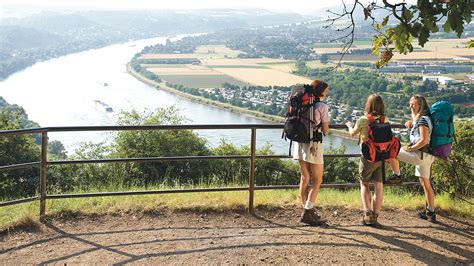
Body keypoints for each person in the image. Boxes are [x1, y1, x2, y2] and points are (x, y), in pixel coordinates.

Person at [345, 94, 401, 226]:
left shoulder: (364, 119)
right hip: (382, 158)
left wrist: (349, 125)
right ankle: (375, 216)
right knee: (379, 187)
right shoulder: (385, 119)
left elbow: (352, 133)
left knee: (364, 184)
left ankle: (367, 214)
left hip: (368, 157)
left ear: (368, 105)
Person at [293, 80, 329, 226]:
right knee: (317, 180)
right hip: (314, 145)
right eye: (326, 90)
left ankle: (307, 209)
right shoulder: (322, 106)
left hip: (300, 142)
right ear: (321, 91)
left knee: (304, 177)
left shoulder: (303, 105)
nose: (328, 92)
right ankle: (307, 211)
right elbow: (325, 130)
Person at [396, 95, 437, 222]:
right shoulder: (424, 118)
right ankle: (431, 212)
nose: (410, 106)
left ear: (421, 105)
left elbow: (423, 140)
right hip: (427, 156)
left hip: (420, 155)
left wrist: (411, 149)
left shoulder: (423, 120)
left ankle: (396, 175)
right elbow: (419, 130)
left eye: (413, 104)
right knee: (425, 183)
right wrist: (411, 124)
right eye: (410, 104)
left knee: (391, 151)